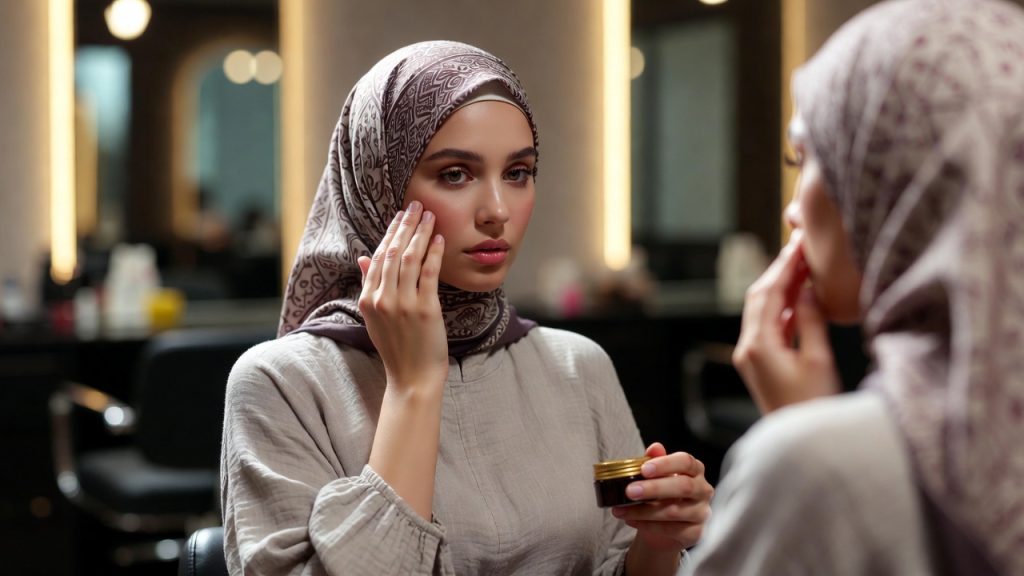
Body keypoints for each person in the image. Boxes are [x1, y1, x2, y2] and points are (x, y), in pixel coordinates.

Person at [221, 41, 713, 575]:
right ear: (376, 186)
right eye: (455, 174)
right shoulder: (280, 383)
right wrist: (414, 389)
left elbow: (616, 564)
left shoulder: (579, 366)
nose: (498, 211)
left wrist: (660, 540)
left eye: (518, 173)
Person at [687, 0, 1024, 574]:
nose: (793, 212)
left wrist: (801, 441)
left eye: (803, 160)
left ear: (894, 177)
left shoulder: (815, 471)